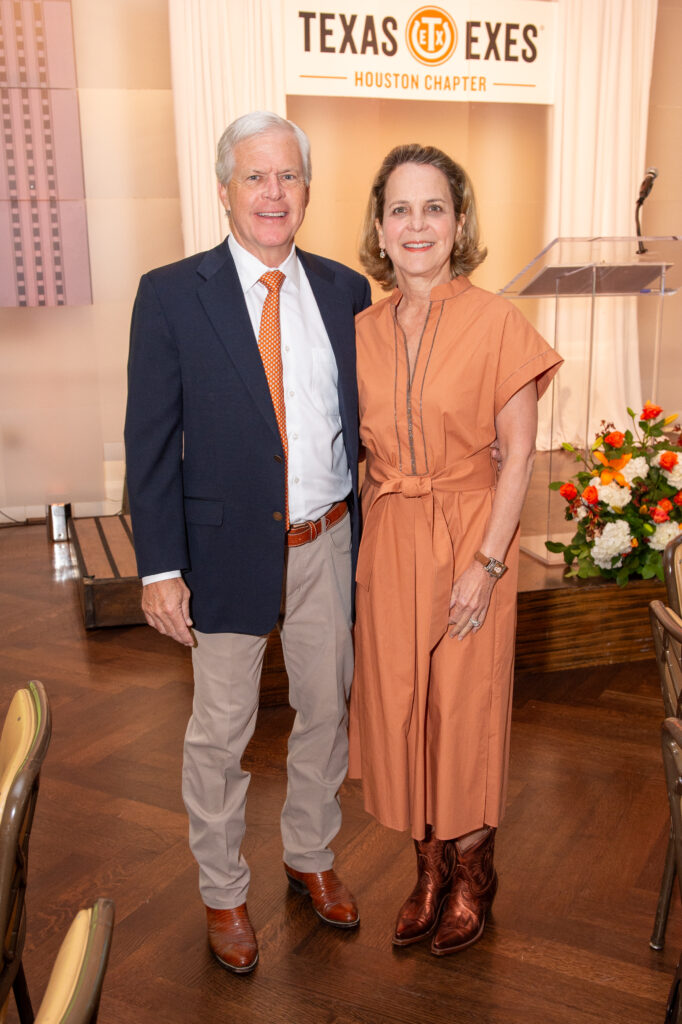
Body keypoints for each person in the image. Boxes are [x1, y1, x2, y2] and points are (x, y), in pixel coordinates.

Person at [124, 111, 371, 975]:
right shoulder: (170, 293)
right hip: (221, 552)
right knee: (221, 732)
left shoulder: (345, 291)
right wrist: (160, 567)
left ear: (307, 190)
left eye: (288, 176)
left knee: (327, 711)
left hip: (326, 543)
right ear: (225, 189)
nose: (274, 192)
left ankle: (310, 854)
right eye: (256, 176)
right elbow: (150, 442)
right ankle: (224, 891)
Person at [348, 144, 562, 956]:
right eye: (400, 209)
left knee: (464, 709)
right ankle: (428, 870)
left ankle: (473, 873)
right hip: (390, 538)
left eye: (433, 207)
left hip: (473, 535)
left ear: (460, 222)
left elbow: (521, 452)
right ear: (379, 227)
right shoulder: (359, 331)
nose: (417, 225)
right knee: (402, 705)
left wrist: (489, 563)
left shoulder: (498, 321)